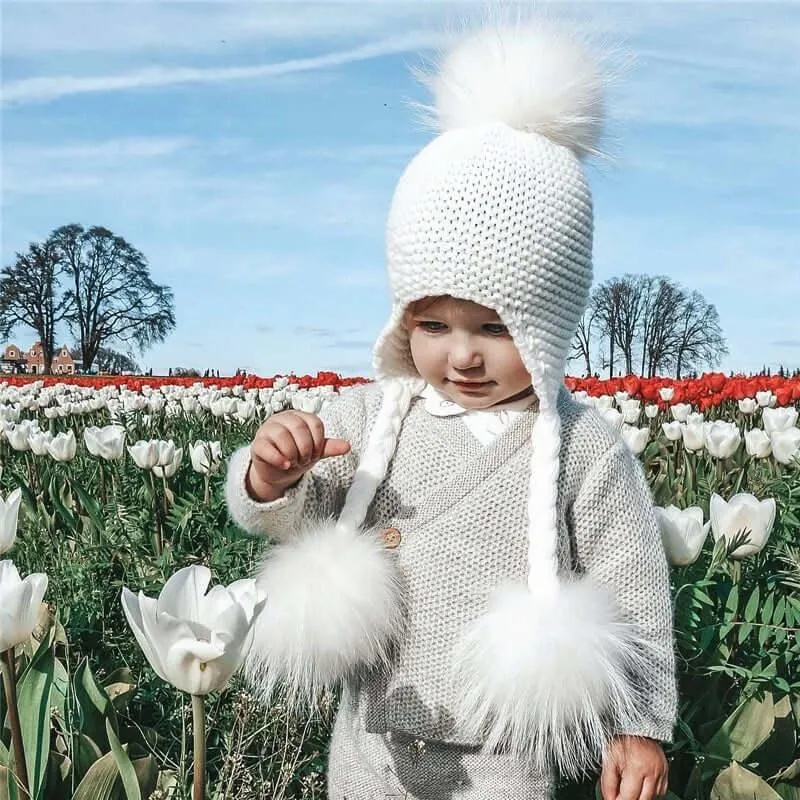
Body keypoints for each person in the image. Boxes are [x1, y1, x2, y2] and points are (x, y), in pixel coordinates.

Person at [225, 17, 676, 800]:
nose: (461, 355)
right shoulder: (368, 419)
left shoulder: (581, 445)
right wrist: (270, 475)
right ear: (401, 317)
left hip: (503, 752)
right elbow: (289, 513)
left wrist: (638, 723)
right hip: (372, 737)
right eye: (432, 325)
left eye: (495, 328)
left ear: (550, 320)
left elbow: (629, 585)